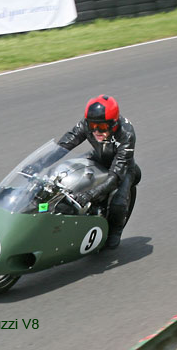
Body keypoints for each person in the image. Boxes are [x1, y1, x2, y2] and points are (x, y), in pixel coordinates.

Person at [26, 95, 141, 249]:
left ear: (113, 124)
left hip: (123, 166)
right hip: (98, 156)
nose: (96, 131)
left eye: (101, 127)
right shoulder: (87, 125)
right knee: (63, 174)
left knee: (118, 202)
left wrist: (89, 194)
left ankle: (115, 231)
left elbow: (115, 177)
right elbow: (64, 145)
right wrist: (38, 165)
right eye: (93, 125)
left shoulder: (126, 133)